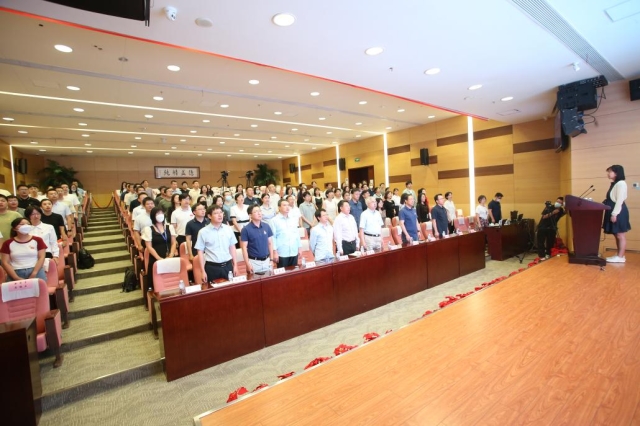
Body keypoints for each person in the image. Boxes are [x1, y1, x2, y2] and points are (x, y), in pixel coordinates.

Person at [1, 217, 47, 282]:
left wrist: (34, 273)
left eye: (28, 224)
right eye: (22, 224)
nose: (25, 226)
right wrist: (15, 277)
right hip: (16, 272)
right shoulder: (7, 243)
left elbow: (41, 257)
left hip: (36, 271)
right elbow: (5, 262)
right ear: (14, 228)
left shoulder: (38, 240)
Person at [142, 207, 177, 290]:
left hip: (170, 257)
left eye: (161, 213)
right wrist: (159, 258)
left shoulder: (169, 227)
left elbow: (173, 243)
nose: (160, 215)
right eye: (157, 214)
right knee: (157, 283)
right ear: (153, 216)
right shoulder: (148, 229)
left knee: (172, 280)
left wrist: (171, 255)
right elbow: (149, 247)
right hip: (156, 258)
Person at [603, 165, 631, 263]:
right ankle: (619, 254)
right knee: (616, 234)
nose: (608, 174)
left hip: (618, 211)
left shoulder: (621, 183)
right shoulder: (615, 184)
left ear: (616, 173)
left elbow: (619, 200)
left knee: (620, 234)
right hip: (613, 209)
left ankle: (620, 257)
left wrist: (614, 214)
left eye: (610, 171)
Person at [240, 205, 274, 274]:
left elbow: (270, 243)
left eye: (260, 211)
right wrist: (247, 264)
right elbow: (244, 248)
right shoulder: (246, 229)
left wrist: (271, 259)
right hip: (254, 262)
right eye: (256, 211)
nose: (259, 213)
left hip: (267, 260)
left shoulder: (266, 226)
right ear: (250, 215)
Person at [269, 199, 302, 268]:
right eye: (284, 205)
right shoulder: (274, 220)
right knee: (283, 273)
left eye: (288, 205)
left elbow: (297, 235)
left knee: (294, 272)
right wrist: (275, 252)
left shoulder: (293, 219)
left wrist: (299, 248)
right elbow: (273, 238)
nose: (287, 207)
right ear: (279, 207)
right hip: (282, 252)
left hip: (294, 251)